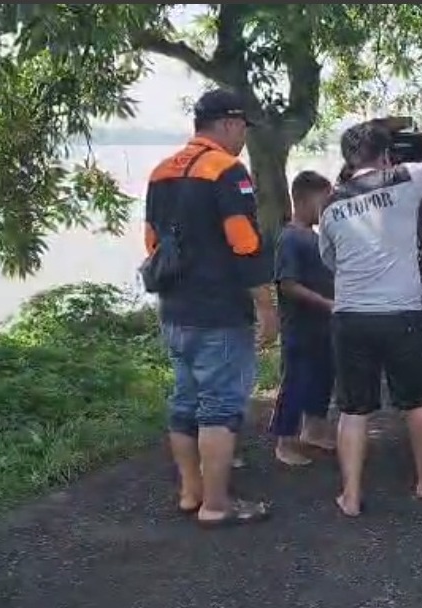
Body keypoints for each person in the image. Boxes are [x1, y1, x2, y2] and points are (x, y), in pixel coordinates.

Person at [319, 89, 422, 518]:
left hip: (349, 317)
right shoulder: (403, 180)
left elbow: (329, 259)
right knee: (416, 401)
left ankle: (350, 494)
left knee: (353, 409)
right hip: (400, 313)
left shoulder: (331, 204)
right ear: (385, 155)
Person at [142, 88, 278, 527]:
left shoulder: (161, 172)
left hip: (175, 309)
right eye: (241, 128)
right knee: (219, 407)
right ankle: (217, 505)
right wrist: (266, 306)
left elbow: (152, 242)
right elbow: (245, 242)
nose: (242, 138)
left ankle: (191, 492)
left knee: (185, 402)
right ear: (228, 123)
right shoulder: (227, 170)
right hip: (219, 311)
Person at [269, 171, 337, 466]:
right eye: (326, 201)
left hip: (324, 327)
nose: (330, 208)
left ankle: (314, 430)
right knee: (296, 382)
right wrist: (325, 303)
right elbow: (287, 283)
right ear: (306, 200)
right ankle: (285, 442)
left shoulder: (315, 237)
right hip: (300, 326)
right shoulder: (291, 238)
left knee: (323, 378)